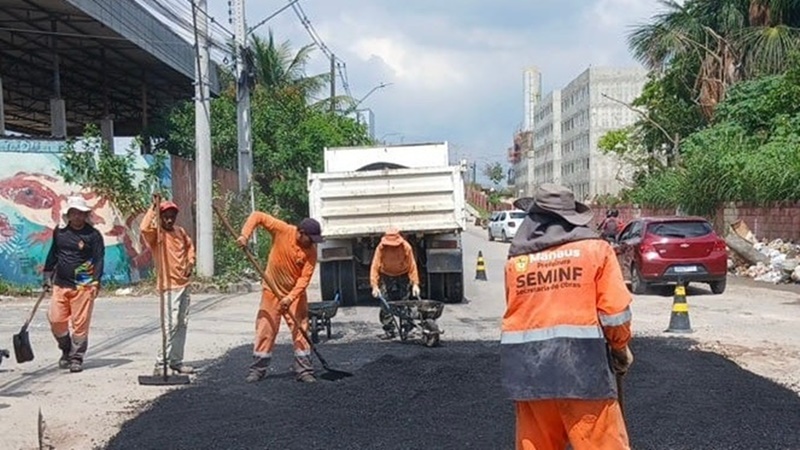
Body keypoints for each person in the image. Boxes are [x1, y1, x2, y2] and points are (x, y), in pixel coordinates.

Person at [502, 184, 634, 450]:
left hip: (529, 372)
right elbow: (615, 315)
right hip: (583, 370)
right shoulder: (595, 250)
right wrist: (620, 349)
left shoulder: (516, 262)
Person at [236, 212, 323, 383]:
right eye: (310, 238)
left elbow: (304, 279)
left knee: (301, 330)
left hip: (294, 295)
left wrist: (290, 298)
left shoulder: (311, 252)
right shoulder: (283, 230)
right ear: (301, 232)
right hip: (271, 290)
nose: (312, 243)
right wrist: (244, 235)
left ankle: (304, 369)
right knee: (265, 328)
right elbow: (257, 216)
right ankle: (258, 369)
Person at [43, 196, 105, 373]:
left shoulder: (93, 235)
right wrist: (47, 275)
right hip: (60, 282)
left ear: (86, 215)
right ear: (68, 215)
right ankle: (66, 349)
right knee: (56, 320)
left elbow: (99, 259)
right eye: (74, 213)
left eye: (81, 213)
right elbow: (53, 253)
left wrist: (96, 281)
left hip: (83, 284)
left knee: (80, 323)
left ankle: (76, 357)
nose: (77, 217)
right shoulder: (60, 232)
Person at [140, 196, 196, 376]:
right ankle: (160, 363)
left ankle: (176, 361)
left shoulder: (180, 232)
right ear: (160, 217)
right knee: (170, 324)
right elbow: (144, 227)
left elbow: (189, 247)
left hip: (184, 284)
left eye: (172, 216)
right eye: (166, 216)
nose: (169, 219)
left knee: (182, 324)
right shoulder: (156, 235)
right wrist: (153, 207)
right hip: (168, 286)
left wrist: (190, 262)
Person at [369, 227, 421, 340]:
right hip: (386, 273)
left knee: (405, 301)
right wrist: (374, 286)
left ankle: (407, 327)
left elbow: (412, 266)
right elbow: (375, 266)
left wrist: (415, 283)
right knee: (385, 301)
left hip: (403, 273)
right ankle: (389, 329)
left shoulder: (406, 247)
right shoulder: (381, 248)